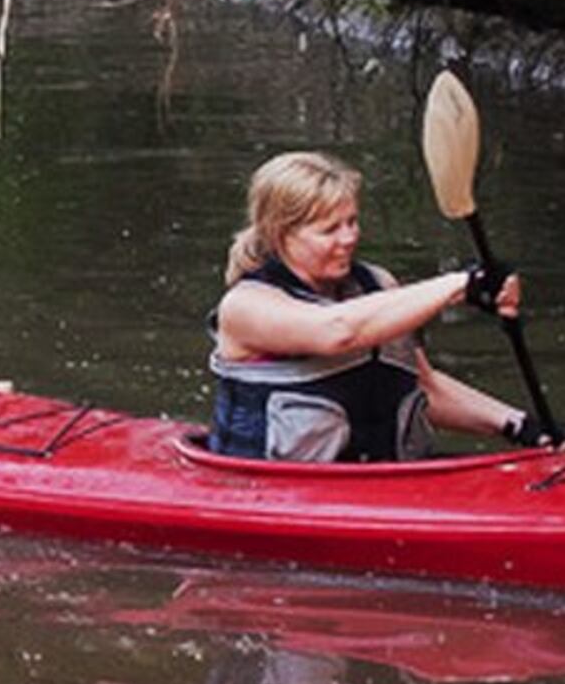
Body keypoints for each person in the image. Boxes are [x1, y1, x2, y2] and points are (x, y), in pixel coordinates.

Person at [208, 148, 537, 460]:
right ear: (282, 235)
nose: (349, 237)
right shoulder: (245, 306)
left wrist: (517, 425)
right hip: (273, 491)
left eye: (352, 221)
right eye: (330, 229)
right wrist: (464, 284)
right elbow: (338, 330)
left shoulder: (377, 285)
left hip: (378, 484)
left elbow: (425, 387)